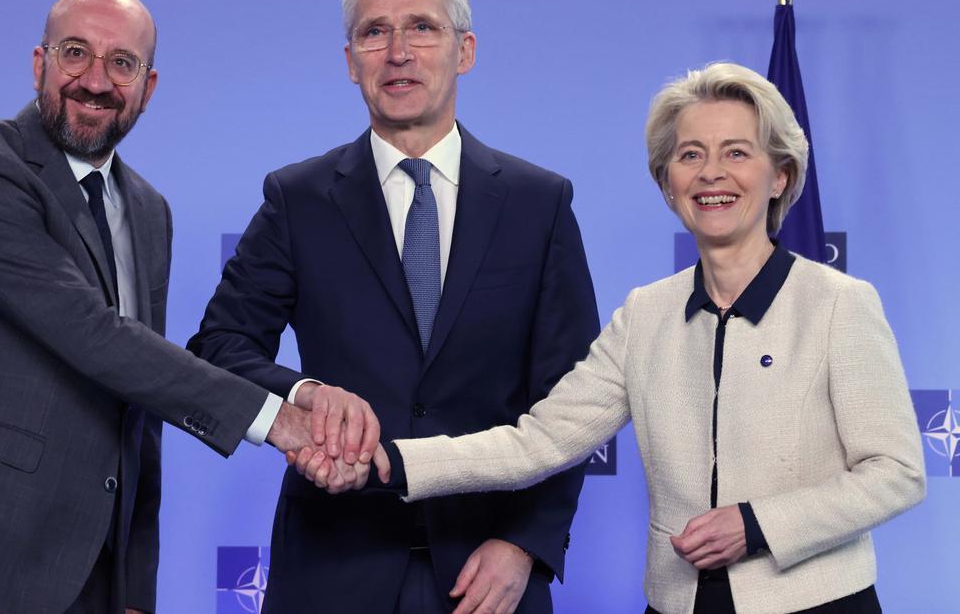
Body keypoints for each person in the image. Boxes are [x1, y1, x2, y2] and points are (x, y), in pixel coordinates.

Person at [0, 0, 377, 614]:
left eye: (122, 63)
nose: (95, 81)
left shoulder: (148, 210)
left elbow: (137, 395)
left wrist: (133, 585)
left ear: (148, 87)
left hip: (84, 579)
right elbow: (90, 333)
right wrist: (278, 419)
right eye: (75, 53)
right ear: (39, 64)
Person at [315, 62, 927, 613]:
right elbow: (538, 443)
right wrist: (390, 460)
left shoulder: (839, 304)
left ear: (780, 177)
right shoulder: (645, 314)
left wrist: (758, 525)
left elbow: (896, 472)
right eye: (689, 155)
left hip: (819, 604)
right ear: (667, 183)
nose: (711, 173)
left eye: (737, 152)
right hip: (677, 604)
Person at [188, 0, 600, 614]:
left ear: (464, 51)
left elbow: (573, 400)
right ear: (351, 61)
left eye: (422, 28)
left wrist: (524, 543)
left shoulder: (538, 203)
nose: (398, 52)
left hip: (487, 573)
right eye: (374, 32)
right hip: (331, 567)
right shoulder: (298, 198)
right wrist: (304, 396)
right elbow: (217, 348)